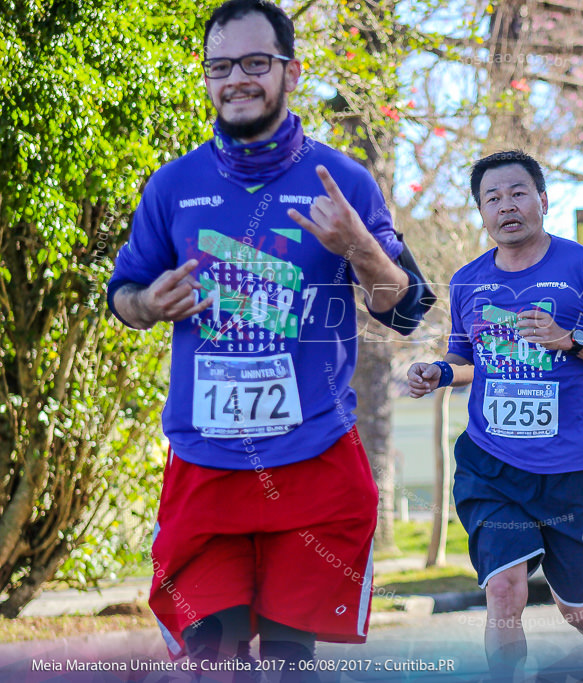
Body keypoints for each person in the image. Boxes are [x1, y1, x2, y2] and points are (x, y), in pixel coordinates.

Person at [106, 1, 429, 679]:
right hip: (207, 458)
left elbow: (405, 309)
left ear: (292, 72)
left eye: (257, 62)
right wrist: (146, 302)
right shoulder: (172, 187)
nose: (237, 79)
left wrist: (360, 246)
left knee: (289, 662)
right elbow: (124, 297)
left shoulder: (343, 181)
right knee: (213, 657)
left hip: (310, 456)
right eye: (220, 66)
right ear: (206, 77)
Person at [407, 150, 583, 682]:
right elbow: (467, 360)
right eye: (492, 198)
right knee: (503, 590)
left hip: (569, 468)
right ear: (481, 212)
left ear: (542, 199)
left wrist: (569, 340)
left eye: (517, 193)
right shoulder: (468, 281)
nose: (506, 206)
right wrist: (437, 373)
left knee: (577, 609)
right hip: (492, 462)